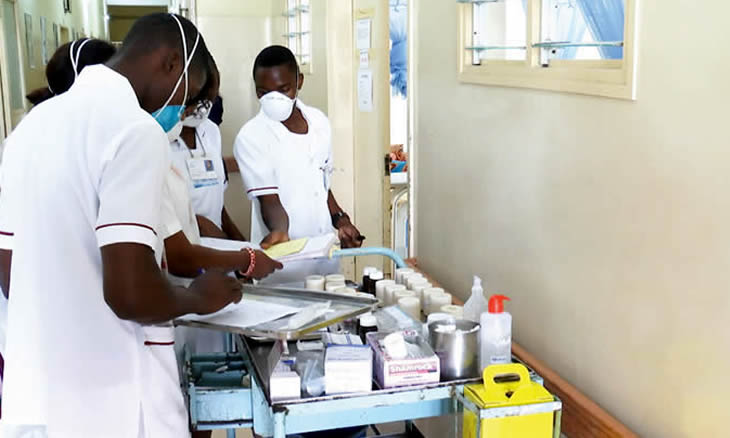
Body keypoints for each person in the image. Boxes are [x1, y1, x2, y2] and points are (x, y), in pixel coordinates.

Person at [0, 13, 242, 438]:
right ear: (170, 63)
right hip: (118, 400)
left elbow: (9, 270)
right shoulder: (134, 131)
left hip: (40, 397)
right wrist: (197, 297)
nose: (182, 109)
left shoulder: (32, 126)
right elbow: (130, 293)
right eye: (188, 93)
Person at [0, 36, 116, 418]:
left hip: (74, 336)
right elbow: (8, 260)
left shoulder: (98, 135)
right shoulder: (30, 140)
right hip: (43, 337)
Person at [235, 46, 363, 282]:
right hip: (283, 265)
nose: (275, 99)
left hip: (325, 259)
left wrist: (342, 221)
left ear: (299, 82)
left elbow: (321, 184)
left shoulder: (319, 123)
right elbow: (269, 201)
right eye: (264, 92)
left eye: (284, 90)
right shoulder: (251, 136)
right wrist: (280, 231)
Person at [168, 60, 247, 241]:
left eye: (211, 96)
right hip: (181, 247)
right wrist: (200, 225)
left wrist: (241, 244)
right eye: (199, 95)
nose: (203, 106)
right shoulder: (161, 136)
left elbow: (217, 203)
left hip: (217, 245)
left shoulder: (210, 131)